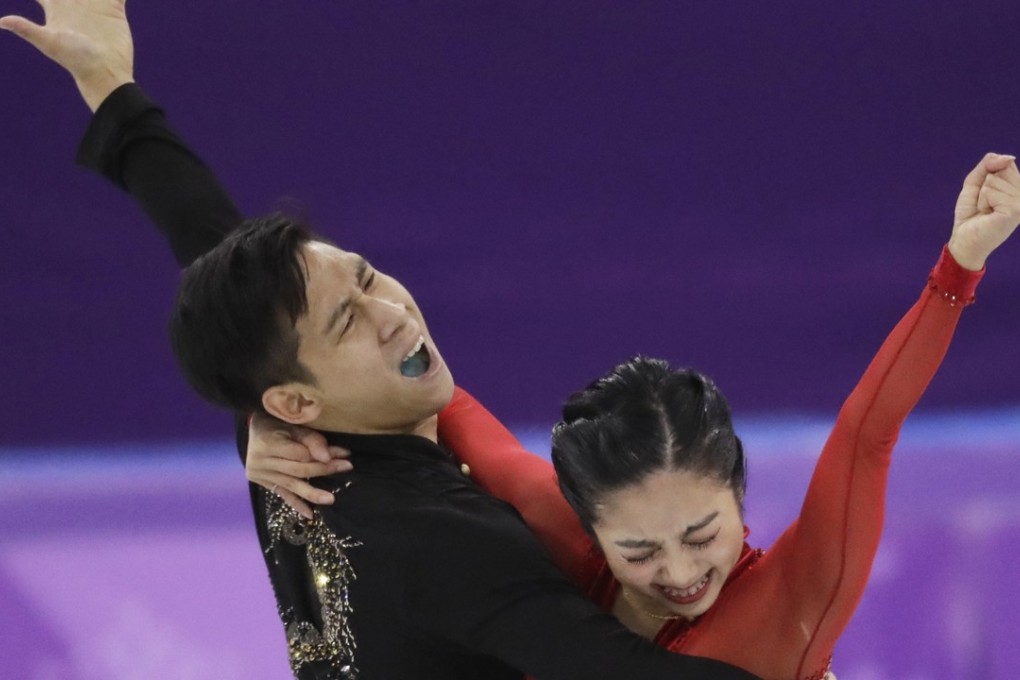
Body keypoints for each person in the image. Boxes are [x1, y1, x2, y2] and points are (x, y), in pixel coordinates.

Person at [0, 2, 761, 680]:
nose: (391, 311)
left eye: (365, 278)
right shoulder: (446, 540)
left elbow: (201, 233)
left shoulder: (276, 420)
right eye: (348, 320)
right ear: (294, 396)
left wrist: (110, 89)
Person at [427, 153, 1020, 679]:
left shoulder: (794, 606)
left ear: (738, 491)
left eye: (702, 535)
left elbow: (867, 433)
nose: (679, 571)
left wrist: (960, 264)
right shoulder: (562, 536)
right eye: (639, 552)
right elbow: (433, 395)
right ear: (590, 526)